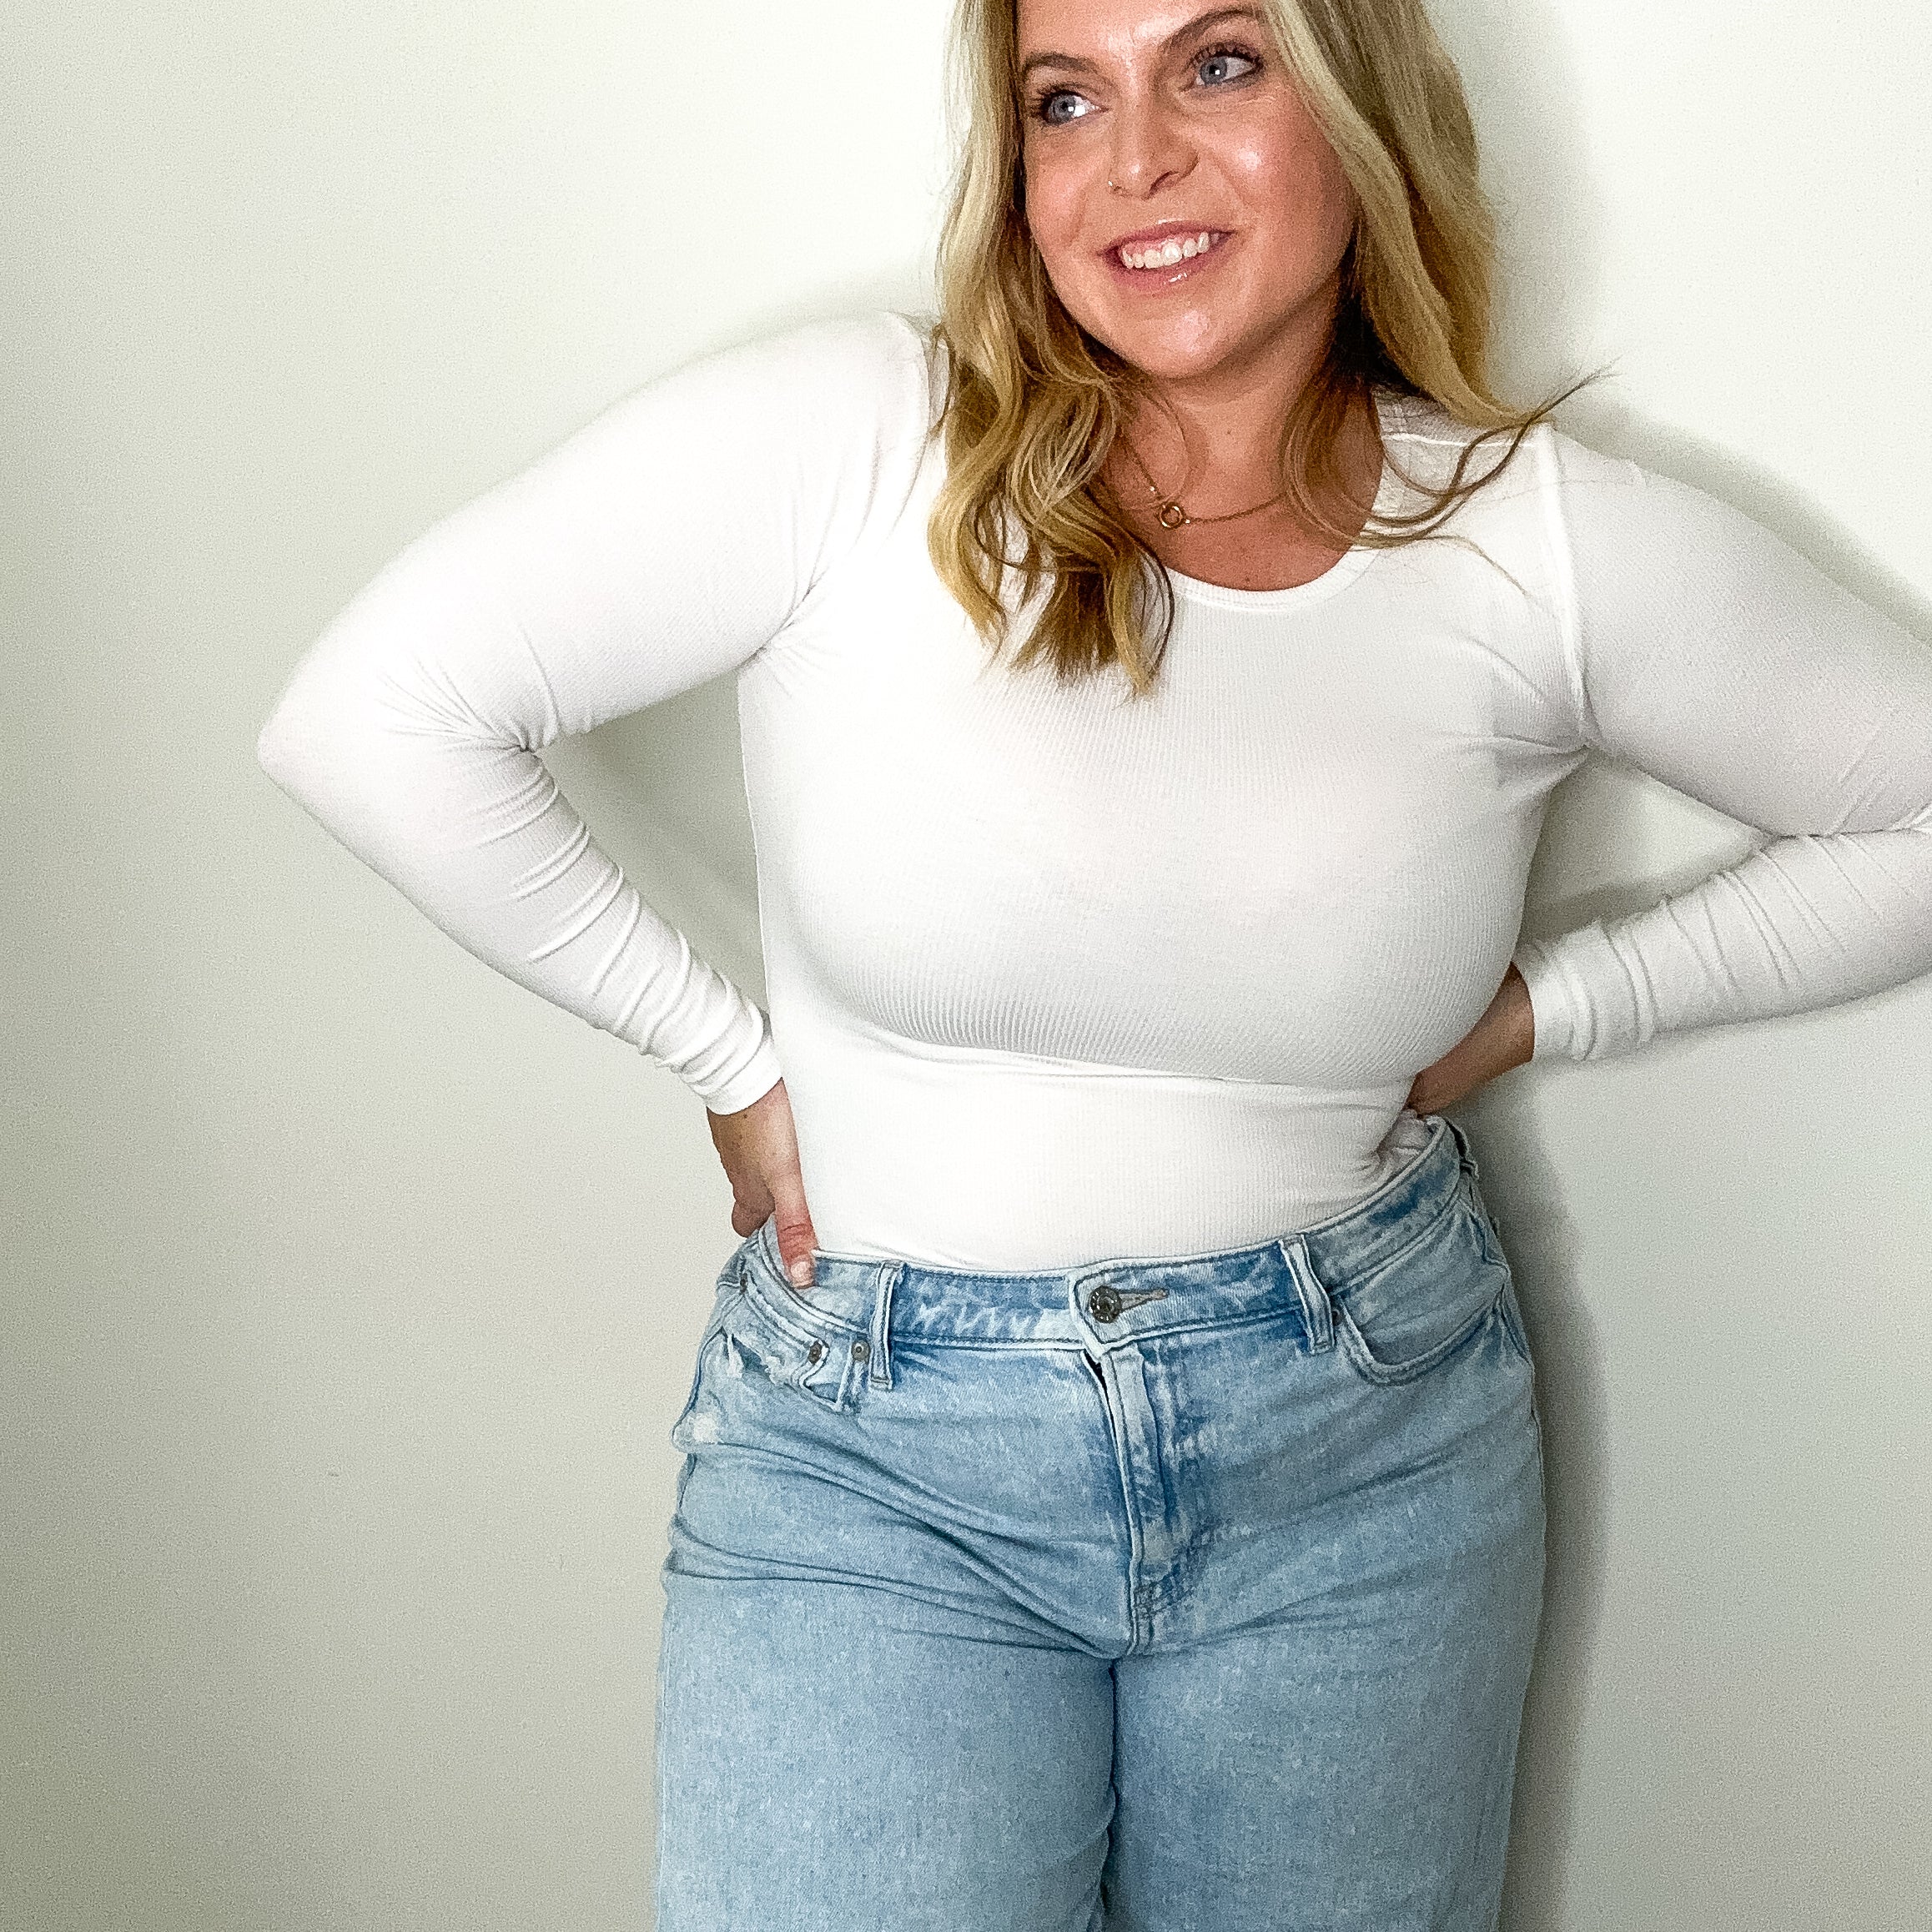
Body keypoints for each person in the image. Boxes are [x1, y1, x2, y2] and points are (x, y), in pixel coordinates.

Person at [254, 0, 1932, 1924]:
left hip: (1361, 1453)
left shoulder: (1535, 544)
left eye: (1219, 63)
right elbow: (374, 715)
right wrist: (719, 1055)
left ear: (1361, 109)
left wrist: (1569, 1000)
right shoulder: (857, 440)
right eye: (1066, 97)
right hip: (878, 1468)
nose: (1133, 157)